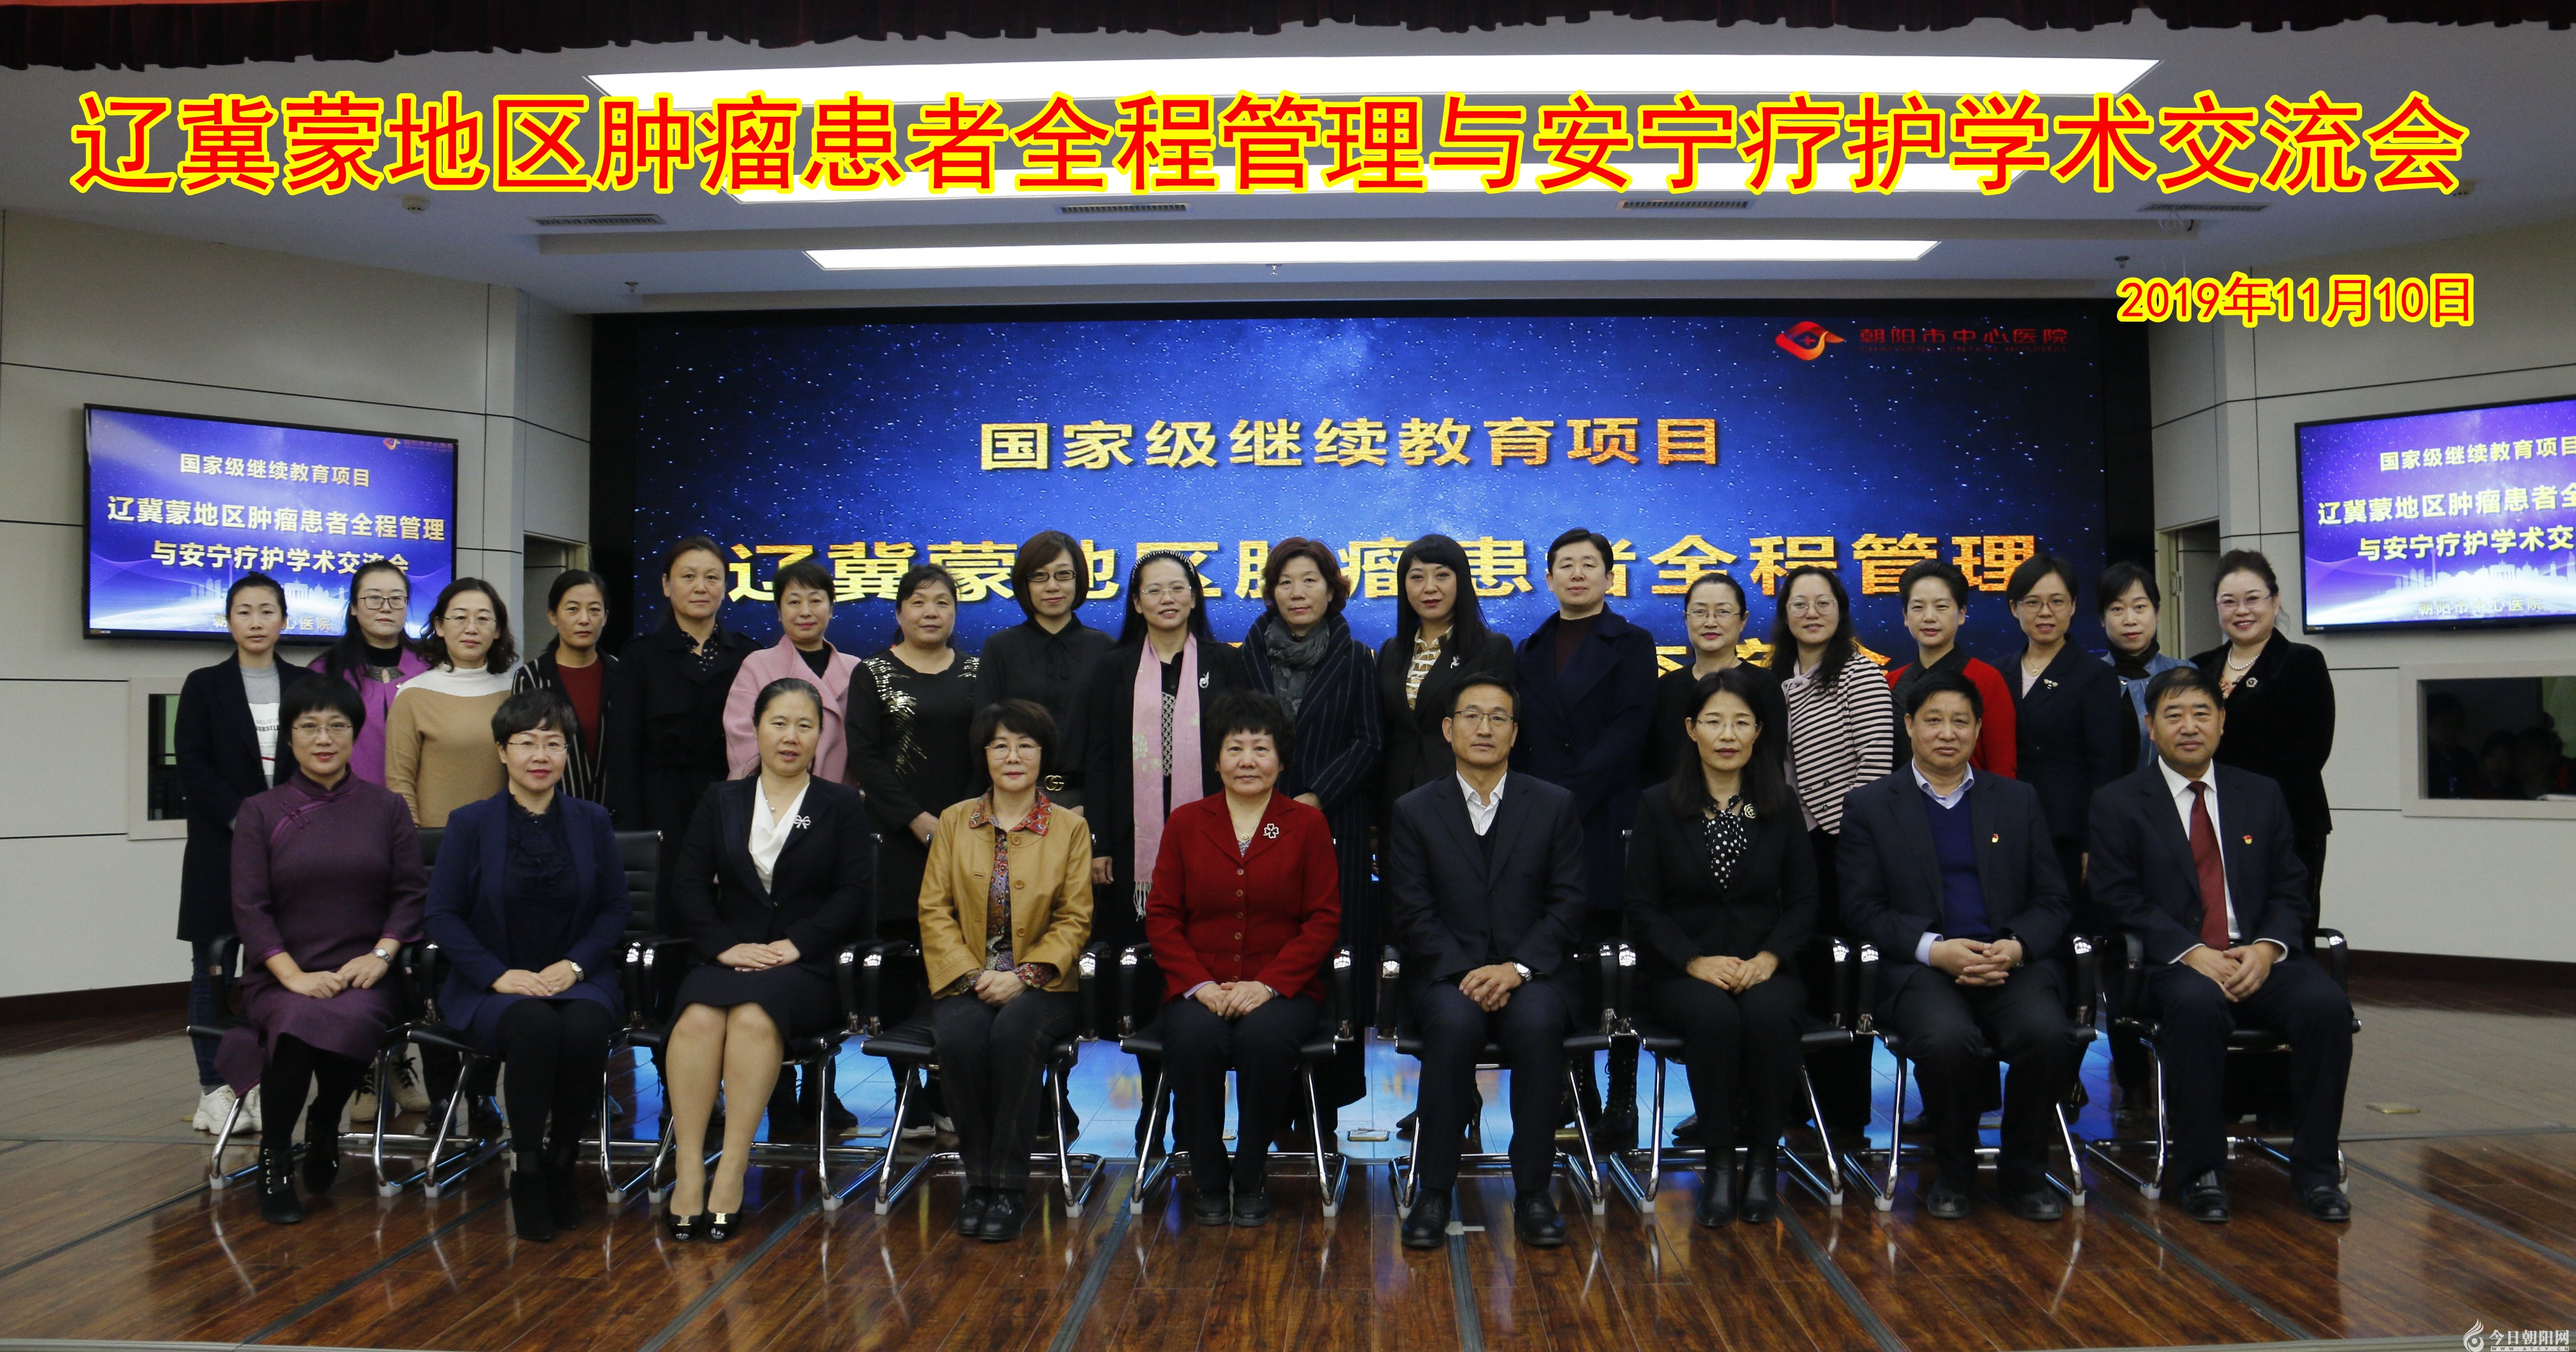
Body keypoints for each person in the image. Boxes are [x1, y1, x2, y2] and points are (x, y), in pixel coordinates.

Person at [2087, 665, 2354, 1224]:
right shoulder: (2118, 801)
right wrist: (2191, 951)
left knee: (2326, 1006)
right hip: (2170, 964)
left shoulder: (2260, 793)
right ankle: (2201, 1171)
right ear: (2150, 726)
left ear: (2223, 722)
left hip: (2257, 957)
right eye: (2174, 715)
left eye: (2201, 714)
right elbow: (2116, 897)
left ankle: (2317, 1172)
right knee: (2196, 1005)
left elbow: (2291, 886)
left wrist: (2267, 949)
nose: (2189, 727)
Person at [1838, 672, 2076, 1223]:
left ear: (1978, 729)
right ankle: (1955, 1171)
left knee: (2048, 1034)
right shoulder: (1870, 805)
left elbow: (2053, 899)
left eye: (1960, 722)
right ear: (1909, 726)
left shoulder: (2016, 800)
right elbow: (1860, 908)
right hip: (1921, 969)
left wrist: (2016, 946)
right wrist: (1933, 949)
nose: (1947, 733)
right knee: (1947, 1041)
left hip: (2007, 962)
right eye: (1934, 721)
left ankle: (2024, 1173)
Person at [661, 678, 872, 1242]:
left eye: (805, 726)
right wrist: (721, 945)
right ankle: (689, 1168)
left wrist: (799, 943)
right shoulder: (722, 799)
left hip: (805, 964)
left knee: (754, 1019)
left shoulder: (840, 805)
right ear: (754, 729)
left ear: (822, 736)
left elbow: (853, 892)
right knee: (696, 1019)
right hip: (729, 955)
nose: (791, 737)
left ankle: (733, 1167)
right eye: (779, 723)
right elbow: (687, 882)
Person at [1386, 676, 1588, 1250]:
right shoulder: (1414, 810)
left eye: (1499, 718)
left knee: (1539, 1023)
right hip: (1447, 974)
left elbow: (1569, 902)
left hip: (1533, 973)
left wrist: (1517, 968)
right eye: (1472, 716)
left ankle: (1534, 1192)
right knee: (1453, 1025)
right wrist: (1464, 971)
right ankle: (1434, 1190)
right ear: (1448, 729)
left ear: (1515, 734)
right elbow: (1411, 910)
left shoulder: (1553, 804)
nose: (1485, 728)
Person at [216, 678, 426, 1225]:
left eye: (337, 726)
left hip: (365, 970)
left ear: (356, 735)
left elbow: (410, 894)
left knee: (351, 1012)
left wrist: (381, 956)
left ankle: (326, 1118)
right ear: (289, 737)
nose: (324, 738)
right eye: (309, 726)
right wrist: (293, 976)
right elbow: (249, 906)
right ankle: (275, 1158)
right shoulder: (261, 811)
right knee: (296, 1020)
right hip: (281, 972)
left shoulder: (386, 808)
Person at [424, 690, 631, 1241]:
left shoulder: (592, 821)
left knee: (584, 1028)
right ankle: (528, 1166)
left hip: (577, 977)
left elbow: (616, 908)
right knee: (535, 1026)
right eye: (526, 743)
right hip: (492, 983)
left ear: (567, 753)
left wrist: (576, 966)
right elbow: (441, 914)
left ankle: (563, 1158)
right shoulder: (470, 823)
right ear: (502, 751)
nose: (540, 755)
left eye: (553, 744)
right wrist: (497, 974)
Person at [1625, 667, 1815, 1227]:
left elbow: (1805, 900)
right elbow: (1643, 906)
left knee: (1769, 1015)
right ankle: (1720, 1164)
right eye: (1714, 721)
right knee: (1714, 1018)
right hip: (1682, 970)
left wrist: (1769, 958)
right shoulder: (1659, 805)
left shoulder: (1780, 805)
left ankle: (1762, 1162)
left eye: (1741, 722)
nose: (1727, 734)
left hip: (1765, 966)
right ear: (1691, 729)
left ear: (1759, 731)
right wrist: (1694, 961)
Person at [1144, 693, 1341, 1227]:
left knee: (1264, 1039)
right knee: (1193, 1039)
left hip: (1283, 988)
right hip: (1200, 985)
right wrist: (1199, 985)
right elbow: (1162, 916)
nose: (1248, 760)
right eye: (1235, 748)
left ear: (1281, 759)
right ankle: (1209, 1178)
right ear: (1216, 759)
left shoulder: (1304, 825)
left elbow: (1323, 920)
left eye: (1261, 748)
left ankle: (1251, 1173)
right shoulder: (1187, 822)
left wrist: (1268, 984)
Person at [919, 700, 1095, 1243]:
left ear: (1044, 755)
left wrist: (1024, 974)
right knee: (959, 1038)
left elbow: (1075, 918)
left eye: (1026, 745)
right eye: (1000, 745)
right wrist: (972, 974)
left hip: (1044, 985)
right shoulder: (955, 820)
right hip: (967, 979)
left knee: (1015, 1034)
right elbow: (934, 909)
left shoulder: (1070, 827)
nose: (1013, 756)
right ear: (985, 754)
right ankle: (979, 1182)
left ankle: (1009, 1187)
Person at [1512, 527, 1657, 1146]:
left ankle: (1622, 1103)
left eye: (1589, 565)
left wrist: (1568, 797)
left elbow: (1630, 732)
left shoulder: (1633, 643)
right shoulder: (1529, 649)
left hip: (1608, 821)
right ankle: (1579, 1096)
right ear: (1548, 579)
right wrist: (1542, 806)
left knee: (1617, 965)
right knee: (1561, 962)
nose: (1577, 574)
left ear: (1608, 577)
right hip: (1543, 827)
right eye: (1565, 565)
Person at [1237, 539, 1379, 1120]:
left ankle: (1326, 1112)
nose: (1298, 593)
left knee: (1335, 952)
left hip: (1334, 822)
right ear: (1271, 592)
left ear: (1332, 589)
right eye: (1286, 582)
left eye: (1310, 580)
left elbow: (1369, 740)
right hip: (1257, 821)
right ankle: (1270, 1107)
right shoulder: (1244, 656)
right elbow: (1231, 741)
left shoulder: (1358, 657)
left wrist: (1316, 797)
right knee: (1268, 947)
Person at [177, 573, 311, 1134]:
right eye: (244, 611)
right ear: (228, 620)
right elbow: (193, 765)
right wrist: (247, 820)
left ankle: (262, 1083)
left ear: (284, 620)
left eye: (267, 611)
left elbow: (321, 758)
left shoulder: (306, 684)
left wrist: (288, 822)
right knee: (211, 968)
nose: (256, 622)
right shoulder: (204, 685)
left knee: (279, 968)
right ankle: (214, 1087)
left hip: (294, 849)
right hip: (221, 850)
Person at [1763, 565, 1893, 1133]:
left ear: (1841, 611)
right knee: (1803, 969)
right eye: (1799, 603)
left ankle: (1845, 1113)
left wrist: (1844, 830)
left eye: (1823, 602)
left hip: (1848, 844)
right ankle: (1798, 1102)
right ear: (1784, 614)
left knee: (1848, 974)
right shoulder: (1775, 678)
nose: (1811, 613)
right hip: (1792, 845)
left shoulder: (1860, 674)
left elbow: (1876, 764)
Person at [1076, 550, 1253, 957]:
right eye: (1154, 591)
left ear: (1194, 597)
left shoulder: (1226, 662)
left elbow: (1245, 747)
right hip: (1131, 831)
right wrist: (1100, 844)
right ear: (1137, 603)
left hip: (1217, 823)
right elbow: (1099, 759)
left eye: (1177, 588)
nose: (1167, 599)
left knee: (1211, 937)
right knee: (1134, 945)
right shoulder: (1113, 668)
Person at [605, 536, 762, 886]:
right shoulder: (640, 656)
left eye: (712, 577)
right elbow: (623, 750)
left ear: (726, 587)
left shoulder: (749, 656)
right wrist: (629, 829)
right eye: (688, 577)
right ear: (666, 585)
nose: (700, 587)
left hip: (731, 804)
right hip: (660, 807)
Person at [2191, 550, 2337, 926]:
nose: (2242, 611)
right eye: (2229, 602)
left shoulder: (2302, 662)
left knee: (2282, 926)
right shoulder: (2199, 668)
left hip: (2285, 819)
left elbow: (2311, 752)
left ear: (2275, 601)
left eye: (2253, 599)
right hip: (2210, 819)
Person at [848, 563, 984, 942]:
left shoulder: (978, 672)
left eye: (942, 603)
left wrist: (964, 819)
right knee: (898, 941)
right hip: (894, 830)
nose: (931, 612)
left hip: (969, 826)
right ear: (899, 613)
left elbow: (989, 749)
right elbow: (864, 756)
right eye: (919, 602)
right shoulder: (871, 672)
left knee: (964, 934)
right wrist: (915, 819)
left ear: (955, 612)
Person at [2004, 554, 2137, 931]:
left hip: (2066, 831)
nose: (2045, 612)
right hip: (2008, 829)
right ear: (2014, 609)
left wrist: (2094, 843)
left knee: (2063, 931)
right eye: (2033, 602)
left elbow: (2106, 767)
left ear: (2074, 606)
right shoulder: (1999, 671)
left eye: (2057, 601)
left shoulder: (2095, 676)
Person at [1374, 534, 1516, 823]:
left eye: (1442, 575)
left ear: (1461, 582)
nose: (1430, 588)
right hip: (1396, 801)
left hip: (1464, 802)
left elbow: (1500, 732)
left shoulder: (1491, 649)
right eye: (1417, 577)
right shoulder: (1391, 651)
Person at [976, 531, 1114, 803]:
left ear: (1079, 580)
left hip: (1089, 801)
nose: (1052, 586)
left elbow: (1115, 739)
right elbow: (984, 735)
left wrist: (1090, 808)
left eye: (1063, 575)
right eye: (1039, 576)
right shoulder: (1001, 647)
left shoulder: (1105, 649)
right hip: (1015, 799)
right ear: (1024, 584)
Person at [385, 578, 521, 828]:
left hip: (504, 836)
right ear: (440, 626)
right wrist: (414, 838)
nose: (471, 629)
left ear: (498, 630)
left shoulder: (515, 692)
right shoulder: (413, 694)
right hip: (438, 839)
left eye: (483, 619)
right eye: (460, 618)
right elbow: (400, 780)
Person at [724, 559, 860, 783]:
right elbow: (742, 736)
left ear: (831, 609)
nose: (805, 612)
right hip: (770, 792)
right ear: (779, 611)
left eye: (816, 601)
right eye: (794, 602)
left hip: (839, 795)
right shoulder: (757, 665)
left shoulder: (855, 669)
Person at [1649, 572, 1786, 783]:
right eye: (1699, 612)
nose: (1711, 622)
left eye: (1723, 612)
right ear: (1686, 618)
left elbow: (1771, 765)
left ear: (1743, 620)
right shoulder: (1666, 688)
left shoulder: (1763, 685)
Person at [1887, 559, 2017, 778]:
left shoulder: (1987, 679)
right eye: (1918, 607)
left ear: (1962, 614)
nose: (1929, 617)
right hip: (1896, 798)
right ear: (1906, 617)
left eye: (1941, 607)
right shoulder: (1890, 683)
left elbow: (2002, 766)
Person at [314, 559, 430, 785]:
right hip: (346, 797)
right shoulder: (326, 673)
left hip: (422, 797)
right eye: (374, 598)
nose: (386, 607)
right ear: (354, 607)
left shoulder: (431, 670)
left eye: (397, 599)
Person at [512, 570, 618, 804]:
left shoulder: (622, 674)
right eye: (573, 609)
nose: (584, 620)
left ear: (605, 617)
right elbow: (521, 753)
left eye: (594, 610)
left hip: (613, 813)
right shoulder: (531, 678)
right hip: (551, 811)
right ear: (553, 616)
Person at [2096, 561, 2187, 772]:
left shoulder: (2183, 674)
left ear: (2157, 612)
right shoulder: (2088, 676)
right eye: (2117, 609)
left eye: (2140, 607)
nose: (2130, 620)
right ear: (2102, 618)